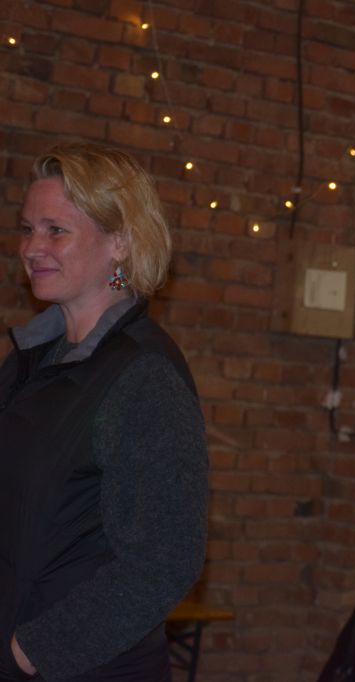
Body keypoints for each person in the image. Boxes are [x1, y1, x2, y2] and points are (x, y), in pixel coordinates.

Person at [0, 143, 208, 681]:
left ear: (120, 242)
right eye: (27, 229)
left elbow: (164, 562)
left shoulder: (144, 377)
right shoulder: (29, 360)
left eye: (56, 231)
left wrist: (27, 652)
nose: (32, 248)